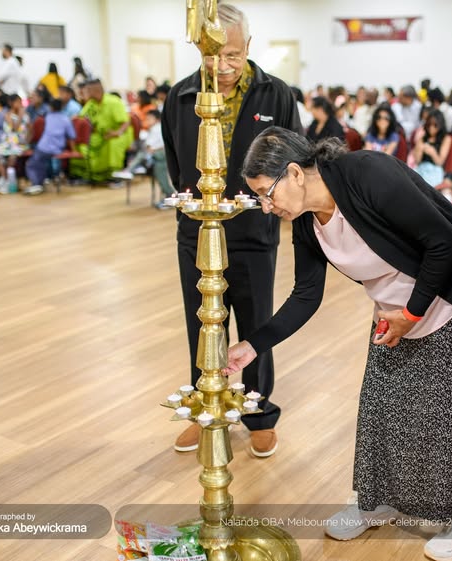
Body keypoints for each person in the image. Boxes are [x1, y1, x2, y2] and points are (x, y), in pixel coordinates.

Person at [228, 126, 452, 561]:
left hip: (450, 297)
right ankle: (379, 501)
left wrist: (412, 313)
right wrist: (254, 345)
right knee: (381, 411)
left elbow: (444, 241)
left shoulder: (368, 174)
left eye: (267, 193)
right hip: (394, 310)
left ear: (296, 173)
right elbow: (306, 295)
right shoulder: (306, 221)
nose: (266, 206)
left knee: (446, 417)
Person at [161, 3, 301, 457]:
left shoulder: (275, 94)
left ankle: (258, 413)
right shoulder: (180, 96)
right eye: (212, 55)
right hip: (196, 234)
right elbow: (175, 164)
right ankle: (206, 408)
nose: (221, 67)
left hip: (254, 235)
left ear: (249, 48)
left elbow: (294, 160)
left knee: (255, 323)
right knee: (201, 326)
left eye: (233, 56)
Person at [72, 79, 132, 184]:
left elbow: (126, 122)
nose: (84, 92)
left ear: (96, 90)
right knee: (83, 145)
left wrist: (117, 132)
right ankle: (94, 175)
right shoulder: (91, 103)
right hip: (101, 134)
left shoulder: (113, 101)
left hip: (120, 133)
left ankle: (115, 175)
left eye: (87, 90)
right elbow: (80, 117)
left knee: (112, 144)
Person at [112, 109, 174, 208]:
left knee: (143, 155)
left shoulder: (157, 129)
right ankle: (134, 168)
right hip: (156, 156)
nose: (147, 121)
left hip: (159, 156)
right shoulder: (155, 129)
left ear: (157, 119)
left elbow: (152, 146)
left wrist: (150, 150)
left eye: (150, 119)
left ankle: (130, 170)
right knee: (147, 159)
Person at [25, 99, 76, 195]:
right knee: (41, 163)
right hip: (57, 148)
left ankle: (37, 184)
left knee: (31, 164)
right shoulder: (66, 119)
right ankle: (40, 182)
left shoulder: (48, 117)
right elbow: (72, 136)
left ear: (51, 107)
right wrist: (74, 150)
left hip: (44, 147)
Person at [0, 94, 30, 194]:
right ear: (11, 103)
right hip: (9, 142)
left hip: (20, 144)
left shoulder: (26, 115)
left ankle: (9, 180)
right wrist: (20, 116)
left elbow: (31, 128)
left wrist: (28, 140)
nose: (20, 104)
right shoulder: (8, 115)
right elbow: (14, 128)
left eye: (20, 102)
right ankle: (5, 179)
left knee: (12, 157)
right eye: (17, 102)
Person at [411, 109, 451, 189]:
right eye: (429, 124)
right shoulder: (422, 138)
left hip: (435, 170)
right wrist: (419, 150)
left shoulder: (446, 138)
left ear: (440, 124)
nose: (431, 127)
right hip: (421, 168)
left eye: (435, 125)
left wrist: (432, 152)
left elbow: (440, 162)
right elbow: (417, 161)